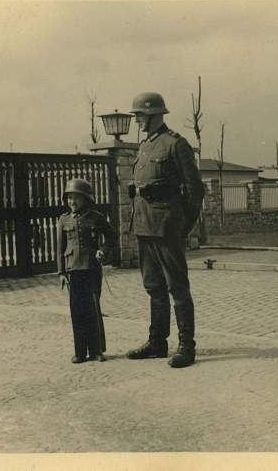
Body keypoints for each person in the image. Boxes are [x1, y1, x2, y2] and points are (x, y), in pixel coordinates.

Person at [125, 92, 204, 368]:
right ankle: (157, 341)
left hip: (167, 228)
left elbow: (195, 190)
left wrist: (183, 226)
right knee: (153, 287)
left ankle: (186, 346)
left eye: (140, 116)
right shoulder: (145, 146)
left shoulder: (175, 144)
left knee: (177, 288)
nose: (137, 121)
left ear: (155, 114)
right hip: (145, 227)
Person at [57, 178, 115, 364]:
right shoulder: (63, 219)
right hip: (73, 270)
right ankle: (80, 352)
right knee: (77, 311)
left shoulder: (96, 217)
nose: (72, 202)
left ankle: (96, 350)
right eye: (69, 198)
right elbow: (59, 249)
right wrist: (61, 273)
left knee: (92, 308)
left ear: (86, 199)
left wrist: (103, 251)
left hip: (91, 268)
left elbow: (111, 236)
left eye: (77, 198)